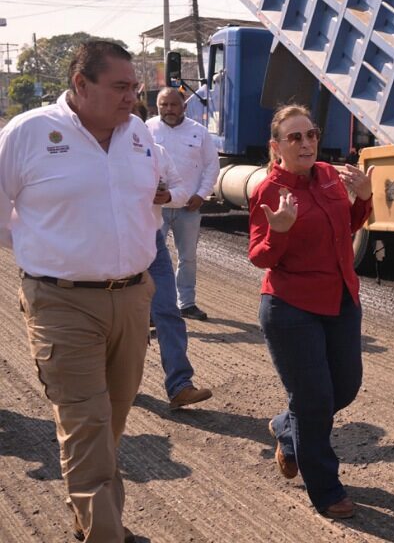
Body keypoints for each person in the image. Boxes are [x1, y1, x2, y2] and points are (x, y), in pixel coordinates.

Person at [0, 41, 164, 542]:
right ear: (80, 85)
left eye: (133, 87)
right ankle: (105, 534)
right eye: (119, 87)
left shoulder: (137, 133)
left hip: (133, 298)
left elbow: (152, 199)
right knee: (87, 424)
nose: (131, 98)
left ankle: (88, 515)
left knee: (111, 417)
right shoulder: (28, 133)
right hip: (62, 301)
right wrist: (45, 252)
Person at [248, 104, 374, 519]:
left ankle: (287, 427)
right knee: (314, 399)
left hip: (339, 299)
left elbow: (348, 228)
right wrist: (279, 232)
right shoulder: (269, 190)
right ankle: (325, 489)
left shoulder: (329, 177)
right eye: (294, 137)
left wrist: (365, 199)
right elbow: (260, 256)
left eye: (311, 134)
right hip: (291, 307)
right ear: (276, 147)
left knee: (346, 387)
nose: (305, 143)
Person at [144, 124, 214, 409]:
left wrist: (169, 196)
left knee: (168, 311)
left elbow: (180, 188)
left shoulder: (154, 152)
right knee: (124, 318)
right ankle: (114, 380)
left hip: (151, 241)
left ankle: (180, 386)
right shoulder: (96, 155)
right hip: (111, 246)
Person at [147, 87, 219, 321]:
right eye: (163, 105)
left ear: (184, 106)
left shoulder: (199, 132)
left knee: (187, 257)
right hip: (155, 208)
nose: (168, 109)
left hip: (188, 207)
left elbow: (211, 166)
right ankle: (151, 308)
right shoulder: (146, 130)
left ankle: (186, 303)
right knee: (151, 258)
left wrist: (201, 194)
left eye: (173, 105)